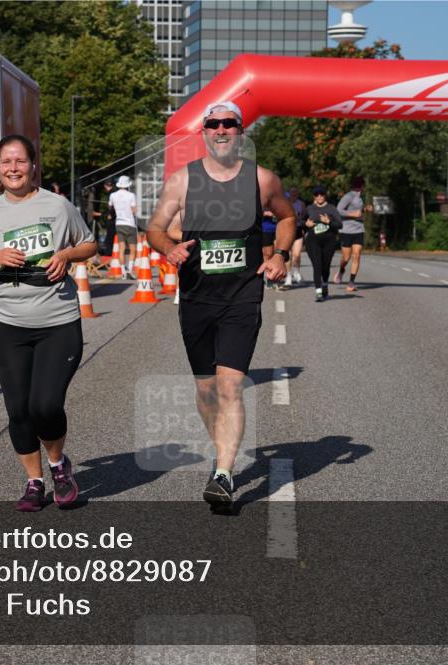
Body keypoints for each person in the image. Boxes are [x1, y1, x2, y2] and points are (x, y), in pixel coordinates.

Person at [146, 100, 294, 508]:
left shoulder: (262, 179)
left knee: (230, 386)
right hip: (196, 296)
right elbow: (155, 229)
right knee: (206, 388)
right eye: (214, 124)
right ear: (204, 131)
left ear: (240, 131)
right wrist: (169, 249)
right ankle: (222, 454)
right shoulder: (182, 181)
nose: (222, 130)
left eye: (230, 123)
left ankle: (224, 473)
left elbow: (286, 217)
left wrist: (279, 254)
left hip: (242, 295)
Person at [0, 134, 97, 512]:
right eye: (6, 162)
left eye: (20, 161)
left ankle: (59, 466)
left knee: (46, 406)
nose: (13, 169)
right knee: (18, 410)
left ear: (33, 165)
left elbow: (89, 244)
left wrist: (67, 253)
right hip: (9, 325)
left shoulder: (58, 206)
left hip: (58, 321)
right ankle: (34, 482)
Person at [304, 185, 342, 302]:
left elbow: (340, 225)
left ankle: (325, 284)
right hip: (313, 241)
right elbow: (300, 221)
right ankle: (318, 292)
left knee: (325, 267)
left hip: (329, 241)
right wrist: (306, 225)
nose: (319, 197)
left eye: (322, 194)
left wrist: (329, 222)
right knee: (317, 266)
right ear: (314, 196)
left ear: (325, 196)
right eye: (317, 195)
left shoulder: (331, 208)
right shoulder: (309, 208)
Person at [335, 176, 366, 292]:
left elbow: (359, 212)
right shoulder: (348, 196)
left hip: (359, 230)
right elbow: (338, 210)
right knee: (346, 257)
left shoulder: (361, 198)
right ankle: (341, 270)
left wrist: (365, 210)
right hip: (346, 230)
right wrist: (353, 214)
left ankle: (351, 283)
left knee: (357, 255)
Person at [109, 175, 138, 278]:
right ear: (127, 185)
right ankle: (130, 270)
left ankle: (123, 272)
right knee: (132, 249)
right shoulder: (131, 195)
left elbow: (110, 207)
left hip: (119, 223)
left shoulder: (113, 195)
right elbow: (134, 210)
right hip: (130, 223)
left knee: (121, 248)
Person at [286, 185, 306, 287]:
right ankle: (288, 275)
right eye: (292, 192)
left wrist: (300, 220)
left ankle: (296, 271)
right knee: (288, 255)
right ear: (289, 193)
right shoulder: (285, 202)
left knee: (297, 255)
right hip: (287, 230)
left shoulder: (301, 204)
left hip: (297, 229)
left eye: (296, 192)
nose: (294, 194)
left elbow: (304, 218)